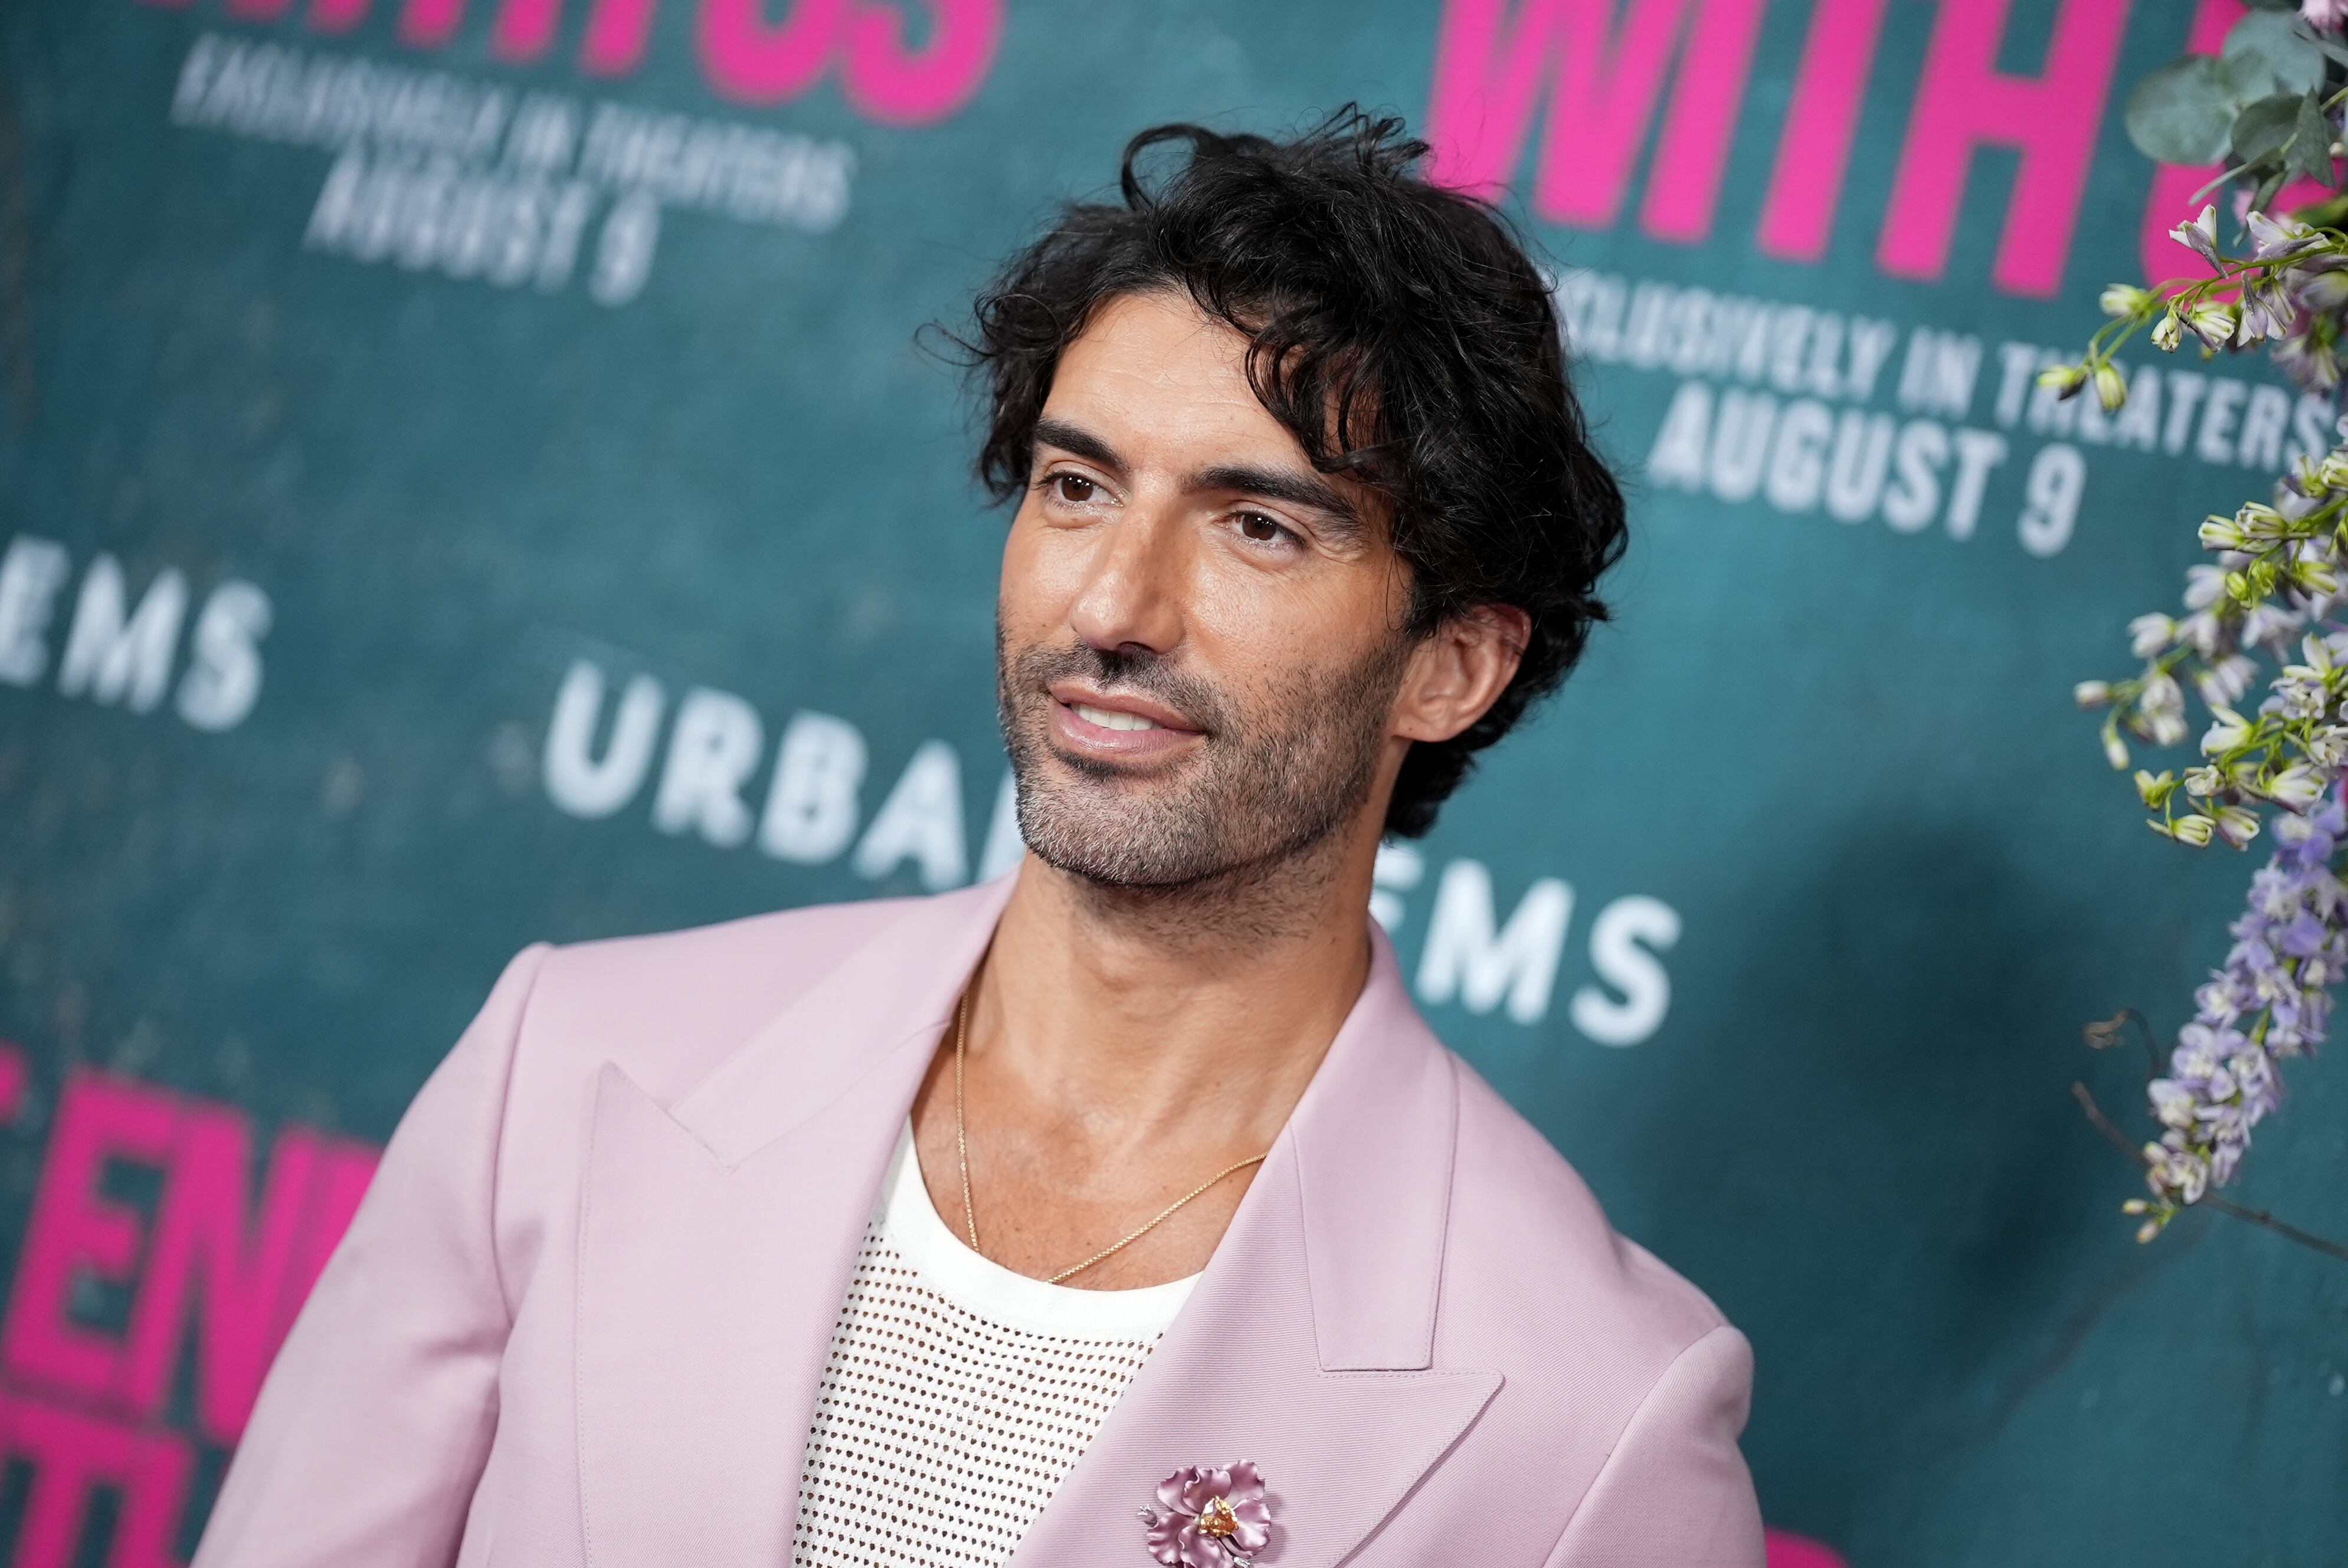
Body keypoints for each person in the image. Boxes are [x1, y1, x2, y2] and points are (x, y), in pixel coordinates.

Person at [195, 109, 1763, 1568]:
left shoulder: (1596, 1416)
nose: (1112, 609)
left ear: (1451, 663)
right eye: (1077, 486)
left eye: (1257, 525)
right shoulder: (572, 1065)